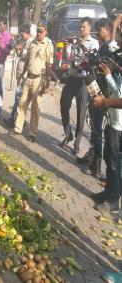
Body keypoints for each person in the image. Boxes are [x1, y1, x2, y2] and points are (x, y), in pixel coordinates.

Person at [80, 19, 115, 178]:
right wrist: (87, 65)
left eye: (100, 30)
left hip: (103, 95)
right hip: (94, 91)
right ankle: (92, 158)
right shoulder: (102, 47)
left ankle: (96, 166)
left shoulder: (111, 48)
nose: (98, 34)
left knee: (98, 131)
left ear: (108, 30)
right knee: (94, 128)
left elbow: (109, 69)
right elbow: (96, 67)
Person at [59, 18, 99, 155]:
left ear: (89, 28)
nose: (81, 29)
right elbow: (66, 57)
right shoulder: (74, 40)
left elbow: (93, 60)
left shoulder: (94, 43)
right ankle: (68, 132)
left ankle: (77, 142)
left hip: (83, 82)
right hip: (71, 78)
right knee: (64, 105)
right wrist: (65, 46)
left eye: (83, 27)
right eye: (80, 27)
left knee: (81, 113)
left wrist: (82, 45)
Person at [9, 24, 54, 142]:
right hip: (28, 78)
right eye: (38, 31)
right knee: (22, 104)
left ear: (46, 33)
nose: (39, 33)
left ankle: (32, 133)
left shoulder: (48, 45)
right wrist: (22, 75)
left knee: (35, 108)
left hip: (39, 80)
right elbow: (28, 59)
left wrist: (48, 83)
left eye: (41, 32)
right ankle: (18, 128)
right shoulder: (32, 43)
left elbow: (49, 65)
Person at [91, 61, 121, 215]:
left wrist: (104, 101)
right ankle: (108, 193)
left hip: (120, 128)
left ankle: (113, 201)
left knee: (116, 165)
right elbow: (117, 92)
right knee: (109, 160)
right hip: (112, 122)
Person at [5, 25, 33, 127]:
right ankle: (16, 119)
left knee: (19, 97)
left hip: (23, 75)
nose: (22, 36)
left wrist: (20, 47)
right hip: (21, 73)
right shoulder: (26, 43)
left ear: (28, 34)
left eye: (23, 34)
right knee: (18, 97)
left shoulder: (30, 43)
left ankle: (16, 120)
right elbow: (21, 56)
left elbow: (27, 58)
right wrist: (18, 49)